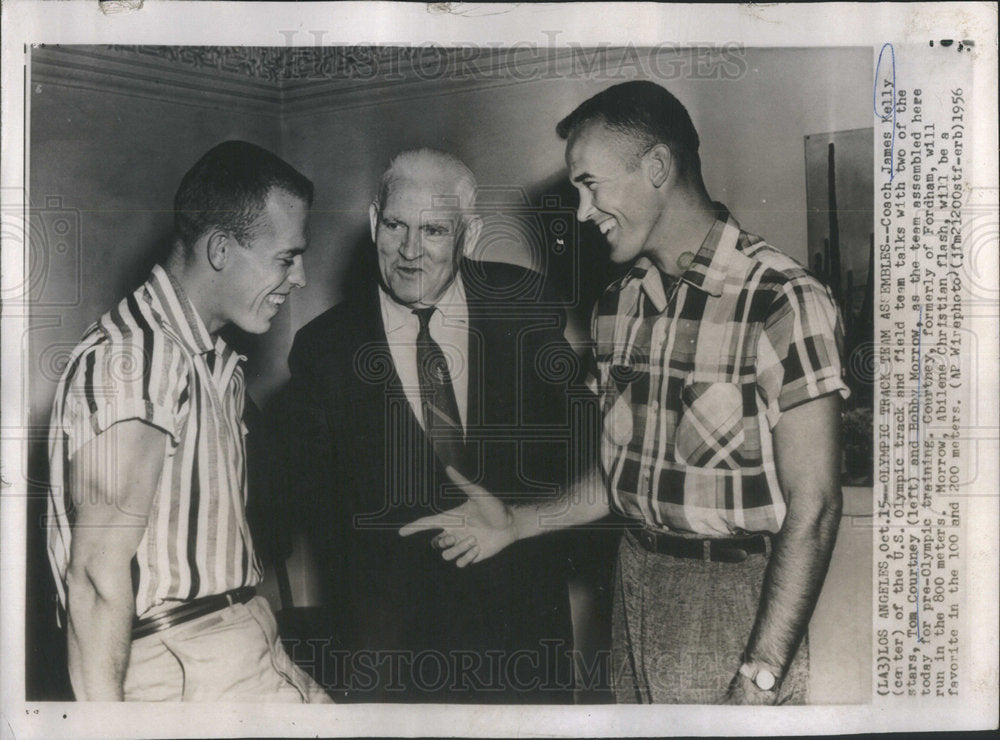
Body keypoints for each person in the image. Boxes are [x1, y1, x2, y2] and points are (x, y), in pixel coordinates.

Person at [403, 81, 850, 705]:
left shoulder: (780, 299)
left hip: (737, 602)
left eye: (590, 184)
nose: (582, 211)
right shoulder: (619, 304)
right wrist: (518, 521)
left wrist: (762, 672)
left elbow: (818, 506)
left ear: (658, 168)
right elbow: (624, 477)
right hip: (634, 582)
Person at [271, 148, 580, 703]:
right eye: (395, 225)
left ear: (470, 232)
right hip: (394, 657)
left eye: (434, 230)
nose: (410, 251)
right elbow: (288, 500)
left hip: (523, 643)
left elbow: (587, 458)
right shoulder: (324, 349)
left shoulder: (525, 306)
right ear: (373, 222)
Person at [45, 140, 331, 703]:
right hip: (184, 666)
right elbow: (97, 579)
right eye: (286, 258)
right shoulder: (137, 360)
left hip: (241, 641)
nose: (298, 278)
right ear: (221, 249)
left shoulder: (202, 357)